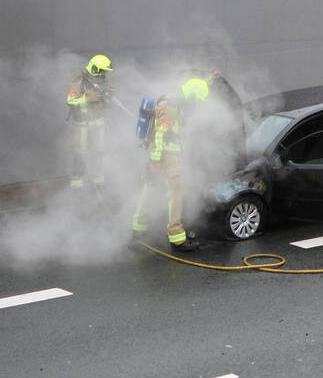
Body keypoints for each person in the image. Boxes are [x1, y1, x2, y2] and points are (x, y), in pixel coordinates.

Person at [131, 75, 213, 252]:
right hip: (166, 158)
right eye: (196, 99)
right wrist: (155, 164)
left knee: (150, 190)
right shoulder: (172, 108)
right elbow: (160, 136)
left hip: (163, 156)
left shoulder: (174, 98)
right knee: (176, 193)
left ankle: (138, 228)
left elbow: (195, 86)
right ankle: (177, 237)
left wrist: (209, 79)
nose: (196, 104)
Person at [66, 54, 113, 188]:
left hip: (98, 125)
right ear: (94, 68)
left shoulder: (103, 83)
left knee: (99, 152)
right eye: (102, 70)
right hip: (83, 126)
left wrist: (108, 97)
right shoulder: (79, 82)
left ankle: (98, 184)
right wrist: (87, 99)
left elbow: (106, 104)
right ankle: (77, 186)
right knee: (80, 155)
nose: (103, 74)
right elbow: (70, 101)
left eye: (105, 71)